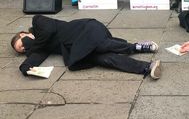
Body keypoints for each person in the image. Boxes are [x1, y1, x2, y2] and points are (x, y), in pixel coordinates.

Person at [10, 15, 161, 79]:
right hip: (79, 49)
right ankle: (147, 67)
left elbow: (50, 30)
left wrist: (33, 43)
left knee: (101, 46)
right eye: (21, 50)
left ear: (23, 34)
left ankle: (138, 47)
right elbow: (35, 59)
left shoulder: (38, 22)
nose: (24, 49)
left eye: (22, 44)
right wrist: (25, 68)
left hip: (86, 29)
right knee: (104, 60)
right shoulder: (40, 48)